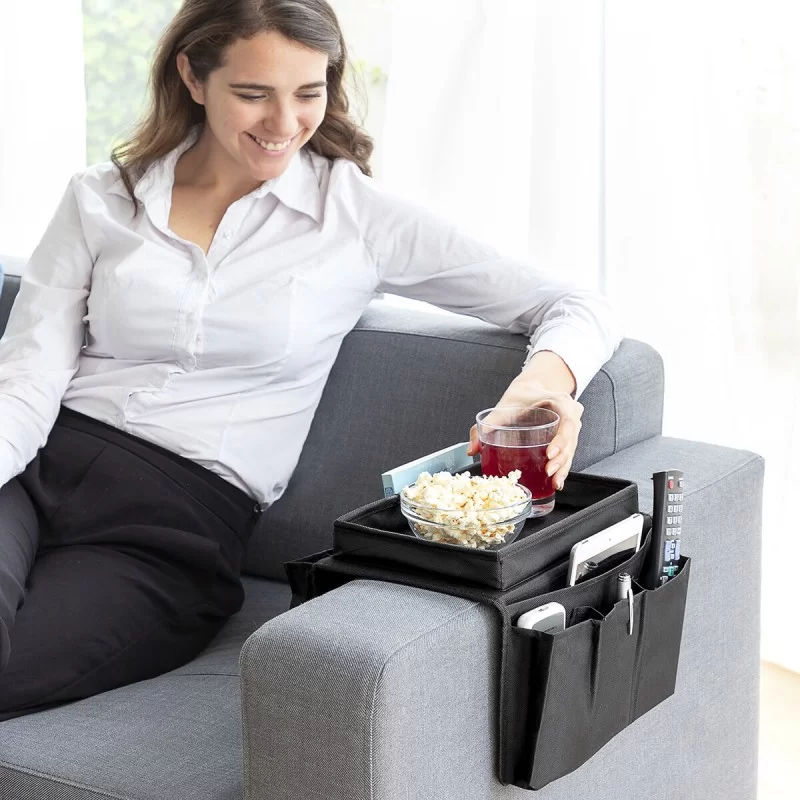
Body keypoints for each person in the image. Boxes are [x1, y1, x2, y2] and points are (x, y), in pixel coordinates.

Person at [0, 0, 621, 720]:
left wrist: (538, 388)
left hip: (171, 524)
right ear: (193, 77)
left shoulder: (357, 218)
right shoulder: (102, 199)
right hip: (30, 468)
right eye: (253, 93)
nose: (284, 122)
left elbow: (578, 303)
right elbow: (26, 377)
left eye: (309, 91)